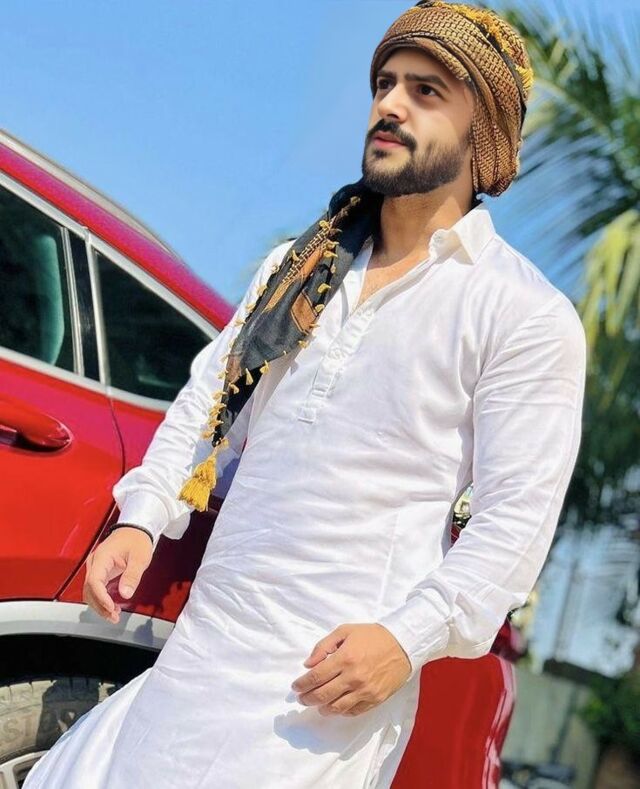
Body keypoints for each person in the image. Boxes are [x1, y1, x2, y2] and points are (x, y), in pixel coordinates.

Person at [23, 1, 587, 787]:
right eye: (385, 83)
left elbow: (513, 527)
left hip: (326, 694)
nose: (390, 105)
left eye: (426, 91)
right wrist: (143, 517)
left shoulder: (522, 313)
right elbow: (213, 404)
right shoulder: (301, 269)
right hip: (201, 654)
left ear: (483, 133)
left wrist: (404, 641)